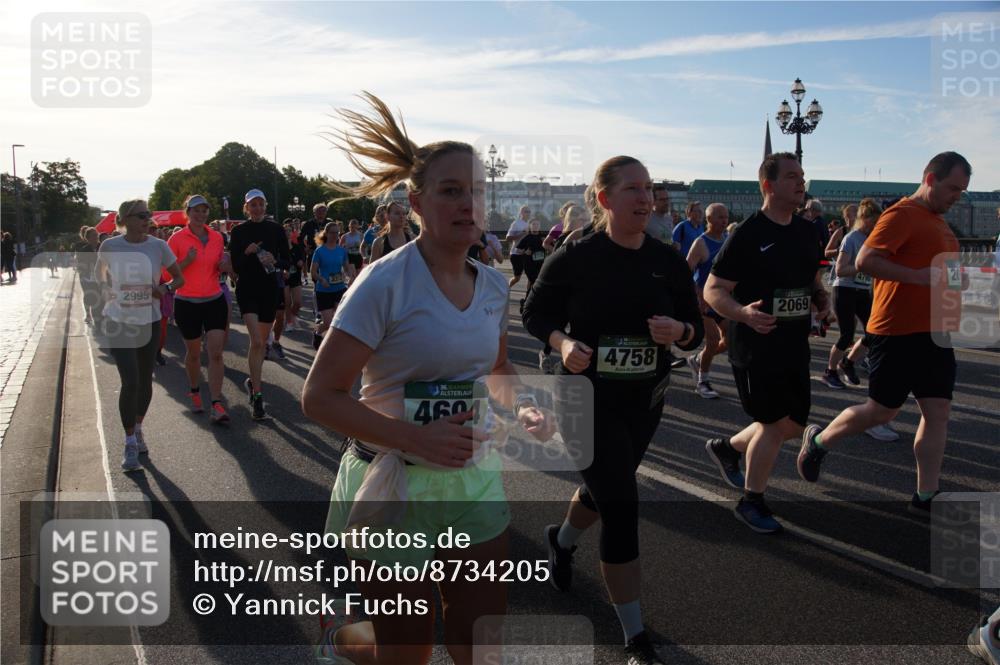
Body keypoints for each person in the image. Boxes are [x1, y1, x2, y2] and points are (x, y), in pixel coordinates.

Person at [303, 92, 552, 665]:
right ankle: (343, 636)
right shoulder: (382, 283)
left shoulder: (493, 284)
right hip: (394, 482)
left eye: (477, 191)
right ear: (416, 202)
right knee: (406, 653)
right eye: (451, 191)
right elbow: (319, 397)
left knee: (479, 644)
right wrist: (416, 438)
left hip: (472, 478)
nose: (469, 204)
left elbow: (497, 367)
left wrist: (524, 407)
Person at [523, 155, 703, 665]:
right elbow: (534, 312)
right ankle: (635, 638)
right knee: (622, 504)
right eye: (633, 189)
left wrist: (680, 331)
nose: (646, 198)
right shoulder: (576, 255)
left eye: (648, 188)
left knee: (606, 489)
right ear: (605, 199)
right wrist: (562, 343)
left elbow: (697, 331)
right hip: (585, 399)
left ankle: (561, 541)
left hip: (644, 400)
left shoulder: (667, 259)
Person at [797, 152, 972, 516]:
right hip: (896, 331)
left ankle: (926, 495)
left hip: (935, 333)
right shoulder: (901, 214)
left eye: (962, 191)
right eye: (953, 188)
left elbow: (948, 275)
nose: (957, 197)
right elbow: (866, 260)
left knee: (938, 412)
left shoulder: (942, 226)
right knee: (880, 412)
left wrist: (962, 281)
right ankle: (819, 441)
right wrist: (919, 277)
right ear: (930, 178)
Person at [702, 152, 828, 534]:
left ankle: (727, 448)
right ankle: (751, 501)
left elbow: (812, 279)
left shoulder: (808, 231)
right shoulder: (748, 233)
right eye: (792, 176)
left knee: (793, 423)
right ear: (768, 185)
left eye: (802, 175)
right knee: (772, 424)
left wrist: (822, 299)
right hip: (755, 345)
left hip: (794, 343)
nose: (801, 182)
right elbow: (713, 290)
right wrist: (742, 313)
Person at [97, 199, 184, 470]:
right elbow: (99, 275)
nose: (147, 219)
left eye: (148, 215)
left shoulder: (158, 246)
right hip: (119, 321)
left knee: (145, 380)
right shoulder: (110, 246)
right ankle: (129, 442)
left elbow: (179, 278)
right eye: (141, 215)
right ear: (125, 219)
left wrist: (165, 289)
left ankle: (137, 427)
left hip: (150, 321)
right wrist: (109, 290)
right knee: (130, 380)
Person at [167, 195, 231, 424]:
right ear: (187, 212)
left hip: (214, 300)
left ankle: (216, 403)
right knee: (194, 354)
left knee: (216, 353)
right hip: (187, 302)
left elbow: (220, 266)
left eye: (204, 210)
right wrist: (186, 261)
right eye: (196, 210)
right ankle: (194, 391)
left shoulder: (217, 237)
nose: (201, 214)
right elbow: (166, 275)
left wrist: (224, 266)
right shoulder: (176, 239)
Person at [228, 189, 290, 421]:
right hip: (247, 290)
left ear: (265, 206)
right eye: (253, 205)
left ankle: (252, 384)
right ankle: (258, 397)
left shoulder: (276, 229)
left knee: (261, 344)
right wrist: (247, 252)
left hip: (269, 290)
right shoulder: (239, 231)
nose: (257, 208)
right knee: (256, 341)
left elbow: (287, 260)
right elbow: (235, 265)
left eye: (260, 204)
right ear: (246, 208)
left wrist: (276, 260)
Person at [685, 202, 730, 399]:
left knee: (729, 340)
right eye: (720, 217)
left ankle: (697, 359)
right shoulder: (701, 243)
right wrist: (696, 297)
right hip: (704, 301)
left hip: (722, 300)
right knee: (712, 341)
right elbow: (686, 273)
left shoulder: (727, 240)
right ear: (709, 219)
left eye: (726, 217)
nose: (724, 221)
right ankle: (702, 382)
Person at [310, 222, 356, 350]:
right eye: (332, 233)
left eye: (337, 232)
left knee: (341, 319)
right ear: (326, 234)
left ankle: (335, 345)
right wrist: (321, 279)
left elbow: (346, 267)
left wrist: (351, 276)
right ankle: (317, 332)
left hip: (339, 289)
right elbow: (313, 272)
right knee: (328, 323)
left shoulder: (342, 250)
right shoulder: (320, 251)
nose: (335, 235)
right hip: (324, 290)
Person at [74, 227, 101, 325]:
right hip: (88, 278)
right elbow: (80, 265)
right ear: (88, 238)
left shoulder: (102, 247)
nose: (96, 237)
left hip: (101, 278)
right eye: (94, 235)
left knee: (101, 299)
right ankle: (92, 318)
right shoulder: (84, 250)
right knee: (91, 297)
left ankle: (100, 319)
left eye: (97, 234)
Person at [505, 205, 531, 289]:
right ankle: (506, 288)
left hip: (527, 253)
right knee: (517, 278)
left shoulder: (530, 224)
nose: (528, 213)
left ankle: (529, 295)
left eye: (529, 212)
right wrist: (522, 233)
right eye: (526, 211)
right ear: (521, 213)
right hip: (516, 254)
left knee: (531, 276)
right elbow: (508, 238)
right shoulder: (516, 223)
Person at [646, 182, 675, 248]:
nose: (666, 202)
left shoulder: (669, 218)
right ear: (653, 201)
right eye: (662, 200)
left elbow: (667, 240)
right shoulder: (646, 219)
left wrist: (673, 245)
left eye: (667, 199)